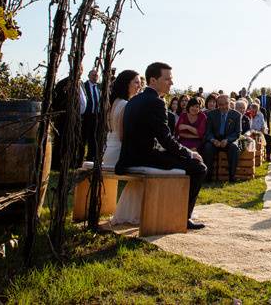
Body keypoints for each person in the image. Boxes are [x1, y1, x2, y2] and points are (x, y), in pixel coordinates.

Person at [115, 62, 207, 229]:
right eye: (167, 79)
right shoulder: (157, 102)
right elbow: (165, 139)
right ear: (152, 80)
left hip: (128, 157)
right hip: (145, 157)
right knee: (199, 167)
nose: (171, 83)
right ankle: (183, 217)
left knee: (185, 161)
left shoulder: (134, 100)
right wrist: (189, 153)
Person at [101, 69, 142, 224]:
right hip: (118, 153)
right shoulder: (126, 104)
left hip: (108, 151)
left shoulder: (114, 102)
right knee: (148, 168)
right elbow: (123, 136)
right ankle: (134, 213)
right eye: (136, 82)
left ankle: (129, 211)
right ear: (127, 84)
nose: (139, 86)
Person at [51, 69, 88, 170]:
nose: (80, 71)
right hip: (65, 119)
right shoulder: (63, 83)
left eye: (81, 69)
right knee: (62, 140)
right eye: (79, 69)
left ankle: (71, 162)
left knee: (75, 141)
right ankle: (57, 163)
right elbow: (56, 101)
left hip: (79, 118)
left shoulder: (81, 84)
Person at [202, 94, 242, 182]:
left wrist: (227, 140)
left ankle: (232, 177)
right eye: (221, 104)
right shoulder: (211, 114)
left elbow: (237, 133)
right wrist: (213, 140)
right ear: (217, 104)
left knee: (234, 148)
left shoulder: (236, 115)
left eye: (226, 104)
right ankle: (208, 177)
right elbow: (208, 132)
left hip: (229, 140)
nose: (223, 106)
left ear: (229, 103)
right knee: (207, 147)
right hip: (215, 140)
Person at [81, 69, 102, 162]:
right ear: (89, 76)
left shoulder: (99, 88)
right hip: (86, 116)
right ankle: (79, 158)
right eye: (93, 75)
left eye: (96, 75)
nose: (95, 77)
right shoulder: (84, 86)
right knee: (83, 137)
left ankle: (91, 157)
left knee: (94, 138)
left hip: (96, 116)